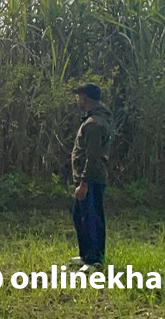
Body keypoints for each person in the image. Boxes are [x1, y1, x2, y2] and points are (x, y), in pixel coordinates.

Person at [68, 83, 112, 271]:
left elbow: (92, 157)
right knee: (81, 217)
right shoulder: (95, 119)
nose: (77, 99)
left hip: (91, 179)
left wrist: (84, 183)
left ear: (86, 98)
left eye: (79, 96)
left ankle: (95, 260)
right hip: (87, 179)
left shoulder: (94, 124)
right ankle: (86, 255)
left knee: (92, 219)